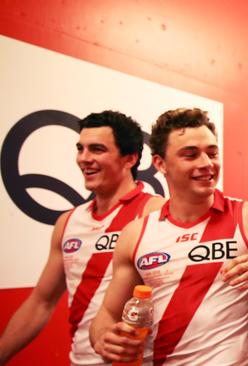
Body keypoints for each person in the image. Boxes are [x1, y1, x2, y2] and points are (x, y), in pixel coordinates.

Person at [90, 108, 248, 365]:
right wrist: (104, 338)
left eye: (212, 153)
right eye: (191, 155)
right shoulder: (136, 234)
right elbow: (106, 314)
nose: (206, 164)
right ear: (160, 164)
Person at [0, 111, 164, 365]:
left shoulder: (155, 212)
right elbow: (41, 303)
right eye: (81, 149)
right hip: (81, 360)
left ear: (130, 158)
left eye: (97, 149)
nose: (84, 159)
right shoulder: (67, 222)